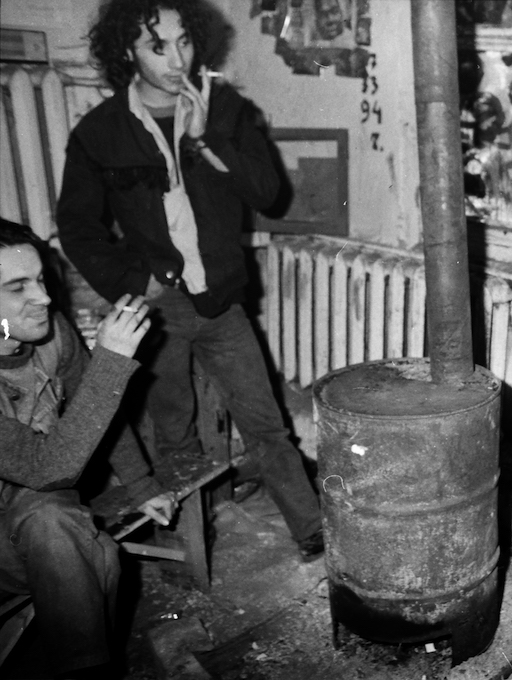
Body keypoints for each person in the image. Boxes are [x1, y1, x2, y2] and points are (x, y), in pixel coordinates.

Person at [56, 0, 324, 561]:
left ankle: (311, 530)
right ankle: (188, 553)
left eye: (185, 43)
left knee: (266, 423)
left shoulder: (226, 108)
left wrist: (207, 141)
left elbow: (269, 193)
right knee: (173, 436)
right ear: (127, 51)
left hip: (222, 300)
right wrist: (133, 282)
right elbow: (77, 228)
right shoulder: (99, 132)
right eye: (158, 47)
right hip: (157, 310)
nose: (176, 59)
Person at [1, 219, 175, 678]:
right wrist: (112, 361)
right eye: (17, 288)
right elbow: (46, 468)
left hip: (31, 508)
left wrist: (141, 484)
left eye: (40, 280)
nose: (43, 297)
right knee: (66, 533)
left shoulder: (52, 331)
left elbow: (94, 411)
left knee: (84, 545)